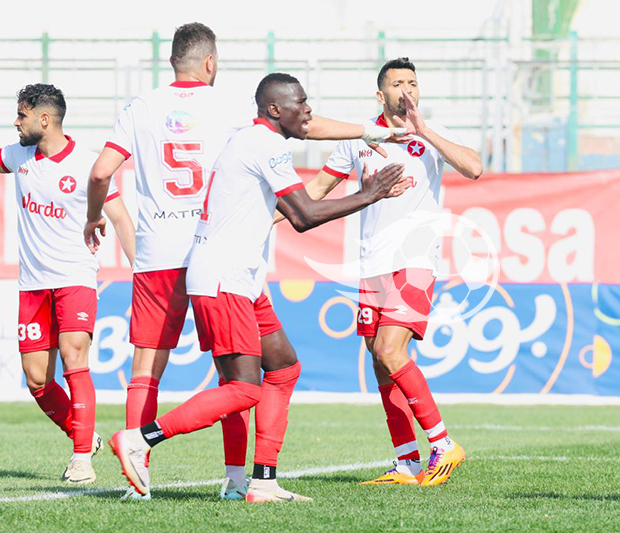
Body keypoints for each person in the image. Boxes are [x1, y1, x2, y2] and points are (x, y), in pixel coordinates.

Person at [84, 22, 407, 500]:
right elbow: (302, 209)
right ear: (212, 63)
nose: (308, 111)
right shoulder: (247, 124)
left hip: (179, 256)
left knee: (272, 368)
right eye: (300, 104)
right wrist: (369, 174)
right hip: (222, 270)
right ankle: (145, 443)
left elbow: (101, 172)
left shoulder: (146, 107)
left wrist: (95, 218)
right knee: (240, 385)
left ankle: (255, 481)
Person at [283, 57, 483, 486]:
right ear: (381, 94)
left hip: (414, 263)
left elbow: (474, 167)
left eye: (413, 82)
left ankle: (444, 444)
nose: (406, 90)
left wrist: (425, 131)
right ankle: (407, 462)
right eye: (397, 83)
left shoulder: (431, 135)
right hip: (371, 264)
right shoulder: (360, 139)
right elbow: (317, 189)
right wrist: (266, 217)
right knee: (379, 361)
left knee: (392, 352)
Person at [0, 83, 135, 484]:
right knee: (38, 380)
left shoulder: (88, 165)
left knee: (75, 358)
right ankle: (84, 436)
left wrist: (141, 273)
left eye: (21, 114)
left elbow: (122, 219)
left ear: (44, 119)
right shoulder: (17, 156)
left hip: (75, 277)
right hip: (33, 285)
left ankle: (81, 460)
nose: (15, 122)